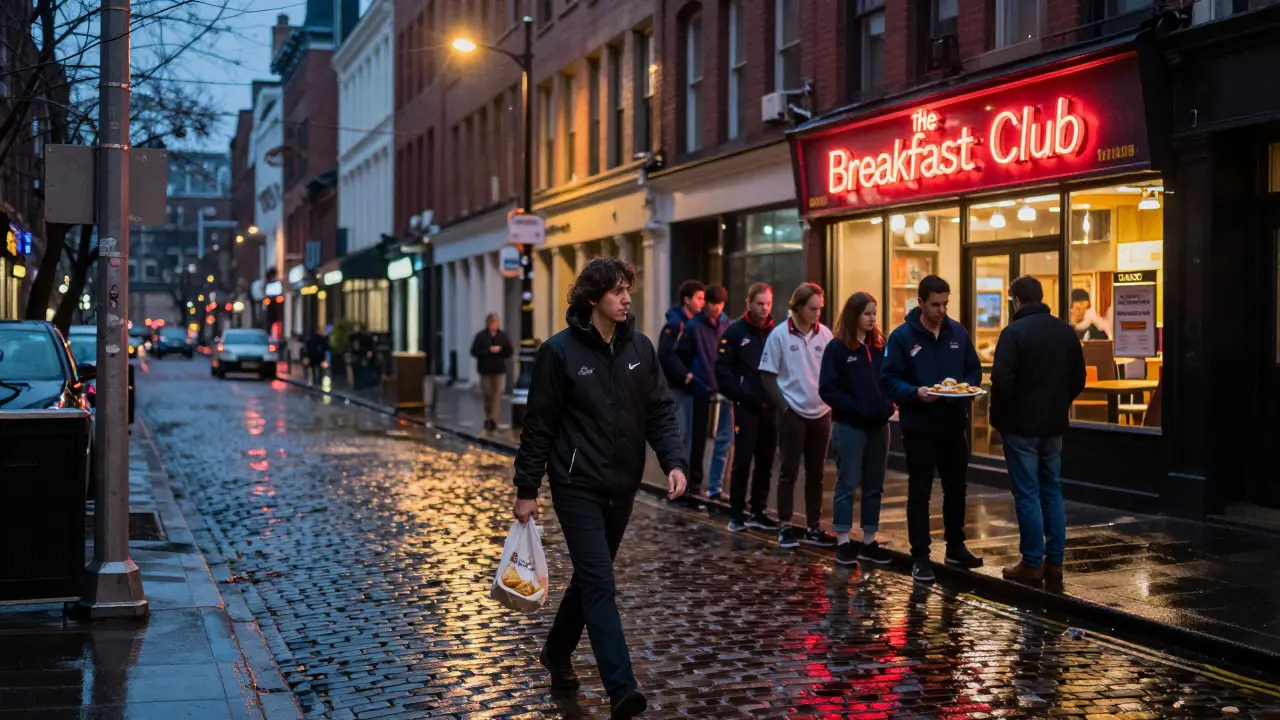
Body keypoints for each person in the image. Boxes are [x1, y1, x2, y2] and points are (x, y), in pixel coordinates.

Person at [513, 257, 687, 719]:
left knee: (592, 578)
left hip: (622, 486)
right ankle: (621, 689)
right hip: (576, 485)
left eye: (628, 288)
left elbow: (660, 412)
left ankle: (555, 652)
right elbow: (539, 427)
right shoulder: (559, 353)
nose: (626, 297)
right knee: (601, 585)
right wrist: (526, 489)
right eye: (616, 291)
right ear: (593, 298)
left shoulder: (641, 349)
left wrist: (673, 461)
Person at [881, 275, 984, 584]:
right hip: (920, 426)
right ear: (921, 302)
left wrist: (967, 386)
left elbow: (973, 368)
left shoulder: (958, 332)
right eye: (935, 304)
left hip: (953, 423)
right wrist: (915, 393)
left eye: (945, 304)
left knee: (957, 488)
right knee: (920, 490)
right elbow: (888, 380)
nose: (941, 310)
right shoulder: (902, 337)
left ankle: (956, 547)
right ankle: (921, 557)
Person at [990, 276, 1086, 583]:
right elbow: (1078, 379)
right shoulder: (1065, 331)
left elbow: (1002, 383)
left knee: (1028, 492)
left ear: (1016, 301)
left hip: (1021, 427)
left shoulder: (1013, 333)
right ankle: (1054, 562)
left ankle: (1032, 561)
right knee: (1052, 491)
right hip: (1054, 426)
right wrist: (1059, 403)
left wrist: (999, 420)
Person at [819, 292, 895, 568]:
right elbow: (828, 389)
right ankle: (843, 542)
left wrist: (890, 404)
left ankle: (868, 541)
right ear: (854, 315)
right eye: (867, 313)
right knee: (847, 484)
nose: (873, 318)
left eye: (875, 313)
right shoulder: (838, 348)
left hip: (879, 426)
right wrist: (856, 408)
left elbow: (890, 377)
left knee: (875, 485)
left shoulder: (879, 346)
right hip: (850, 426)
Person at [759, 283, 836, 550]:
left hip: (821, 412)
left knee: (816, 473)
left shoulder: (825, 335)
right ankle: (785, 526)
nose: (817, 314)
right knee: (789, 471)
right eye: (813, 309)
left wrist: (831, 401)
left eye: (820, 309)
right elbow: (767, 375)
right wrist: (784, 407)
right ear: (799, 306)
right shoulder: (779, 335)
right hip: (792, 411)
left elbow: (833, 371)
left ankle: (814, 527)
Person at [716, 283, 781, 533]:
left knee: (766, 460)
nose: (764, 308)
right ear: (749, 303)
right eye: (759, 303)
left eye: (767, 303)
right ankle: (737, 514)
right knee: (743, 460)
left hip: (770, 406)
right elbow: (722, 370)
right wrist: (740, 394)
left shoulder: (776, 332)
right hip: (746, 406)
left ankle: (758, 510)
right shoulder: (734, 332)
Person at [674, 284, 733, 502]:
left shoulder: (727, 325)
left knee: (724, 440)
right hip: (702, 389)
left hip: (723, 390)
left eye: (719, 304)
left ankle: (717, 486)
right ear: (705, 303)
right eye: (711, 304)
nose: (716, 308)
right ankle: (695, 483)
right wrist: (691, 377)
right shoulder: (693, 326)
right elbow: (680, 355)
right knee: (698, 439)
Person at [657, 279, 707, 508]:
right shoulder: (676, 324)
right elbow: (665, 355)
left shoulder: (693, 323)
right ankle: (679, 487)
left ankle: (689, 485)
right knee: (682, 436)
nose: (702, 303)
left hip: (693, 389)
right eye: (699, 298)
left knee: (693, 437)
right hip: (678, 389)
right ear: (687, 300)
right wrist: (685, 375)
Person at [470, 313, 514, 431]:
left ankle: (493, 419)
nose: (495, 325)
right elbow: (474, 351)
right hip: (485, 369)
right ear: (488, 324)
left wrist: (501, 350)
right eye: (493, 322)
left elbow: (509, 351)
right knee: (488, 394)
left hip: (499, 369)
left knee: (497, 394)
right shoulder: (481, 336)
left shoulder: (502, 336)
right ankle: (488, 415)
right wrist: (488, 351)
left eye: (496, 322)